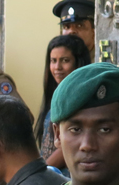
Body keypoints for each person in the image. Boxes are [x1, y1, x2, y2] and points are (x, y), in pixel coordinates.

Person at [35, 35, 92, 177]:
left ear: (78, 63)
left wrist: (39, 172)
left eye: (65, 60)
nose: (57, 67)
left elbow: (67, 144)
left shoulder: (81, 98)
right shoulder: (56, 94)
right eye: (53, 61)